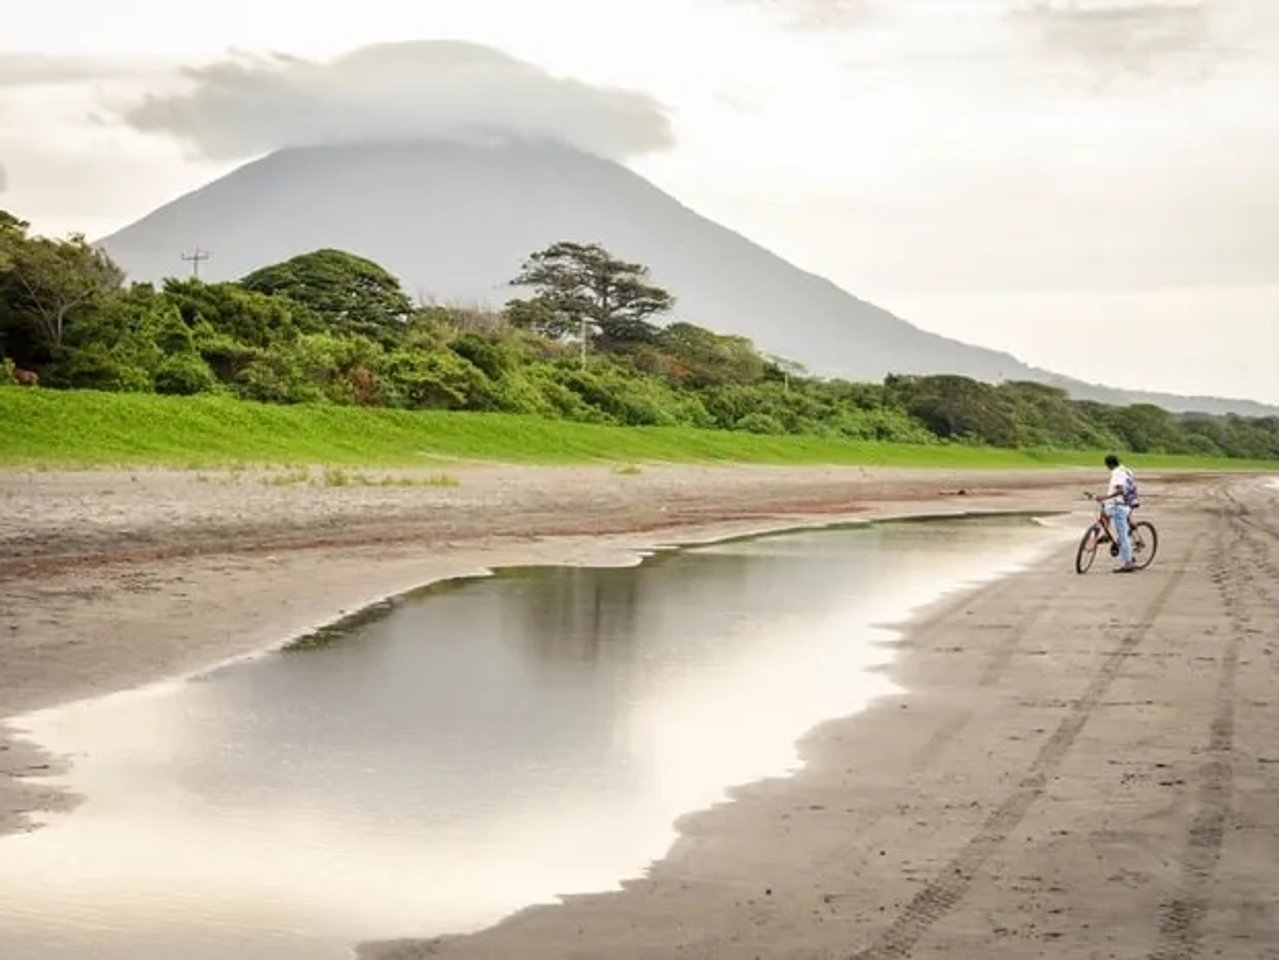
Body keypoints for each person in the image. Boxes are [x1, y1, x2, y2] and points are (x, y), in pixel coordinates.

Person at [1099, 454, 1139, 573]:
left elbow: (1120, 490)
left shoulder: (1117, 473)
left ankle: (1128, 563)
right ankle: (1107, 533)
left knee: (1122, 535)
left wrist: (1105, 496)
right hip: (1129, 501)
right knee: (1104, 509)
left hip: (1120, 505)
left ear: (1109, 465)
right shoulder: (1125, 469)